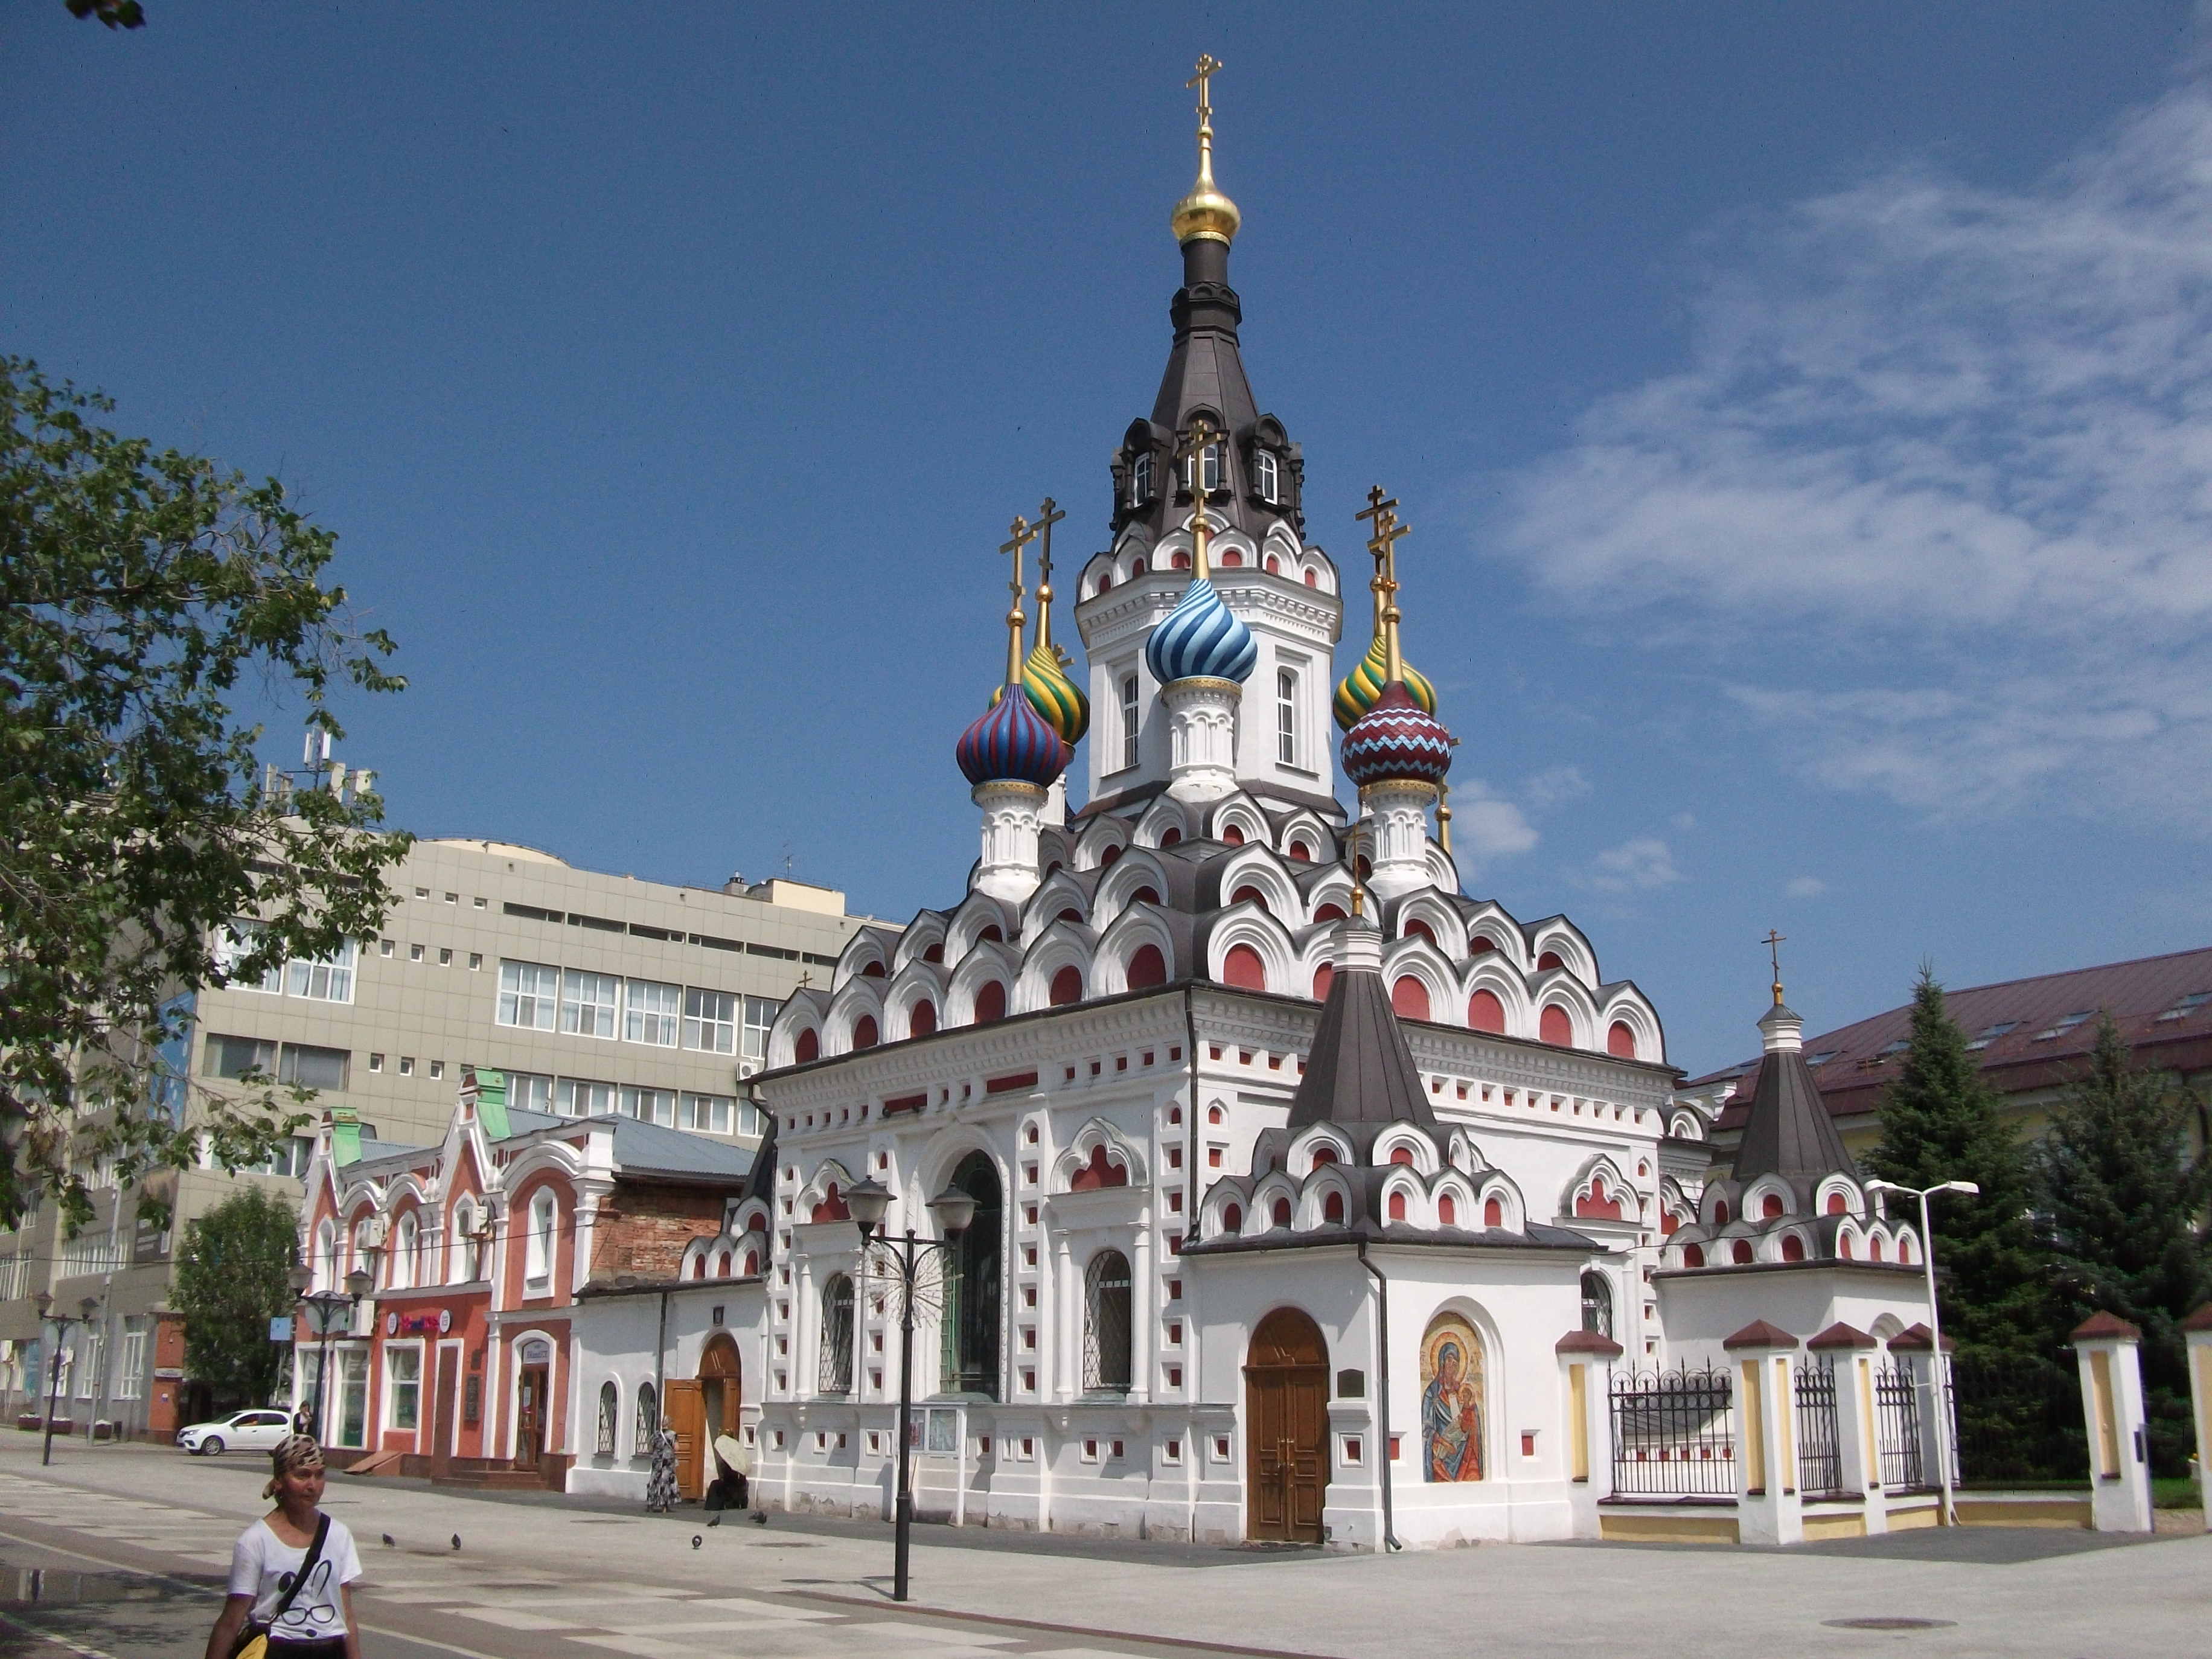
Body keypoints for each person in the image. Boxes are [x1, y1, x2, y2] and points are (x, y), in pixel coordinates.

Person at [205, 1436, 363, 1659]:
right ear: (279, 1480)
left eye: (320, 1475)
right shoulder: (255, 1541)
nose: (313, 1485)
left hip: (331, 1650)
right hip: (278, 1649)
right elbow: (231, 1621)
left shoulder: (338, 1534)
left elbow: (347, 1615)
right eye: (302, 1475)